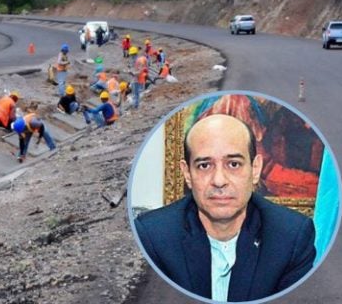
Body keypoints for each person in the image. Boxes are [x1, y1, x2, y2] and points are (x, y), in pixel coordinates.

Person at [134, 114, 315, 302]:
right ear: (187, 173)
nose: (219, 181)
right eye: (204, 165)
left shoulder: (291, 237)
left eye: (234, 164)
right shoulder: (152, 236)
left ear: (255, 169)